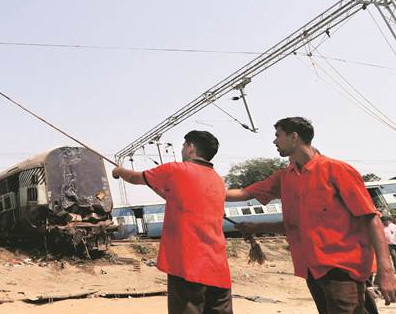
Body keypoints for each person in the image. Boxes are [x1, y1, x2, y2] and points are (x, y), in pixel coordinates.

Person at [226, 117, 396, 313]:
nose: (274, 141)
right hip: (313, 269)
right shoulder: (285, 176)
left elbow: (370, 218)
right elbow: (246, 195)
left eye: (277, 136)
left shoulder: (336, 170)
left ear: (294, 137)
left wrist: (386, 271)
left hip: (342, 269)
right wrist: (204, 188)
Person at [112, 130, 232, 314]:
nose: (182, 150)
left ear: (191, 147)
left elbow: (134, 178)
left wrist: (119, 170)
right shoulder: (217, 180)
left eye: (184, 146)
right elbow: (172, 197)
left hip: (187, 264)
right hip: (218, 265)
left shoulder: (176, 169)